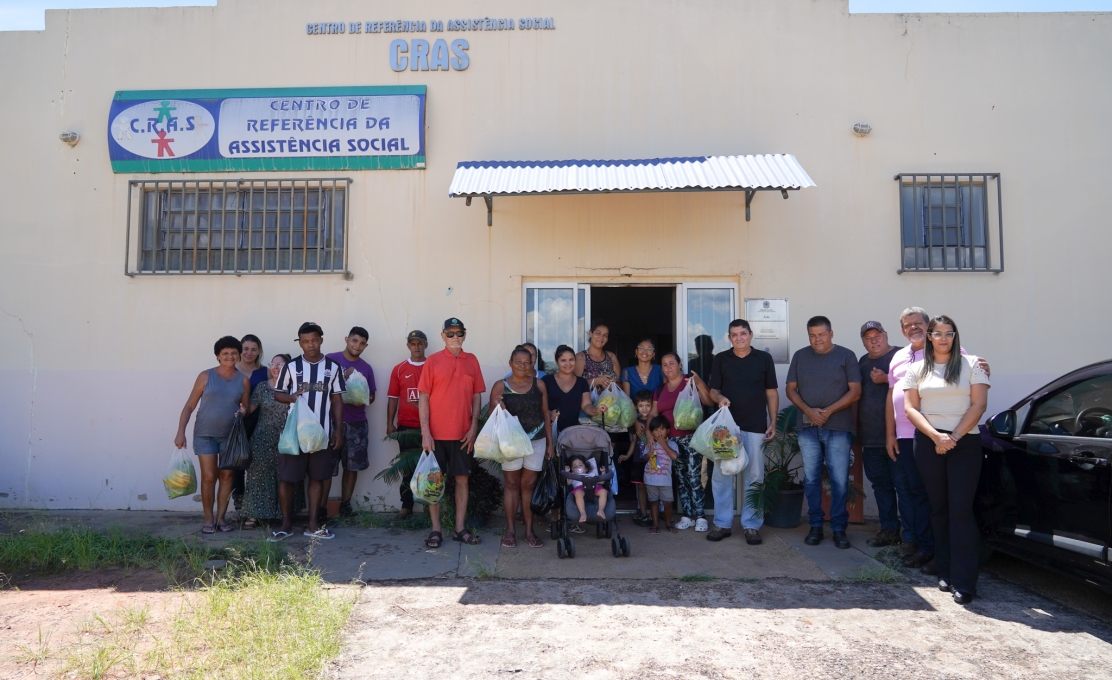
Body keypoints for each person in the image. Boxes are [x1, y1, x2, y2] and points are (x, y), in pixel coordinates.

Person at [886, 307, 991, 571]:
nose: (913, 328)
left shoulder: (961, 356)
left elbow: (973, 393)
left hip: (951, 438)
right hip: (914, 437)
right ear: (902, 330)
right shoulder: (899, 358)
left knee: (948, 504)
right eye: (907, 325)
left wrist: (950, 436)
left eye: (918, 323)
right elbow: (895, 398)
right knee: (919, 496)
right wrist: (890, 433)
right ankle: (926, 549)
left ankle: (942, 558)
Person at [786, 316, 862, 550]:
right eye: (812, 335)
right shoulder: (800, 355)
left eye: (821, 334)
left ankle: (839, 528)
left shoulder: (846, 355)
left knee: (839, 480)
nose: (816, 339)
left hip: (838, 428)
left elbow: (856, 392)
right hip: (808, 428)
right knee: (811, 479)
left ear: (831, 333)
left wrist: (827, 412)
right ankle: (816, 525)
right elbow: (790, 390)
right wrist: (810, 411)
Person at [270, 322, 346, 542]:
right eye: (305, 341)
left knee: (317, 478)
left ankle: (312, 525)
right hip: (294, 433)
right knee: (287, 479)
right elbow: (278, 394)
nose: (310, 344)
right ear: (300, 343)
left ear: (321, 340)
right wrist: (292, 398)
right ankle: (286, 524)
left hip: (321, 433)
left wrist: (338, 429)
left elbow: (337, 399)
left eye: (314, 340)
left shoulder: (333, 368)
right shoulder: (291, 367)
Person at [707, 319, 779, 545]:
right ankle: (722, 523)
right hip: (725, 429)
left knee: (755, 476)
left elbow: (772, 393)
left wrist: (773, 421)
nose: (739, 338)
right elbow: (713, 390)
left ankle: (751, 525)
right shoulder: (721, 359)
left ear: (751, 335)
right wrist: (719, 398)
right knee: (721, 476)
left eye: (743, 333)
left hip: (755, 425)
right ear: (729, 338)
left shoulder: (764, 359)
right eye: (734, 334)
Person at [418, 318, 486, 548]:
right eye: (450, 334)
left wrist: (474, 425)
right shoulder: (433, 361)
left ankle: (459, 529)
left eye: (459, 333)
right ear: (442, 336)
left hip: (462, 435)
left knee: (462, 480)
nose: (455, 337)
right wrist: (425, 433)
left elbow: (477, 395)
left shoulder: (472, 361)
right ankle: (436, 530)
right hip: (436, 436)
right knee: (434, 482)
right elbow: (423, 397)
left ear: (465, 335)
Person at [173, 335, 250, 534]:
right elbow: (189, 405)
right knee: (209, 477)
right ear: (217, 356)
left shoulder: (243, 381)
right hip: (205, 434)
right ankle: (208, 518)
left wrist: (244, 411)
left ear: (238, 355)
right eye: (225, 353)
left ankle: (221, 518)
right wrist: (180, 432)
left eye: (234, 353)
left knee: (227, 476)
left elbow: (246, 406)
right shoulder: (205, 376)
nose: (230, 356)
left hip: (230, 436)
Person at [489, 345, 554, 549]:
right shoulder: (501, 386)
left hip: (537, 440)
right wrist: (498, 406)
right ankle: (510, 530)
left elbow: (546, 414)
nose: (523, 365)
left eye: (527, 362)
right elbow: (493, 417)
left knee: (528, 486)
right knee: (511, 485)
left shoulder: (540, 385)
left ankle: (529, 530)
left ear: (532, 363)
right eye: (518, 362)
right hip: (511, 443)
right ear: (510, 363)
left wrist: (550, 443)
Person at [856, 321, 907, 550]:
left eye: (877, 336)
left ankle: (912, 535)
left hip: (899, 437)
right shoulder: (863, 362)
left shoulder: (901, 356)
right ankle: (889, 531)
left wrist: (888, 379)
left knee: (904, 486)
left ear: (886, 336)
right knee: (881, 486)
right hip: (871, 437)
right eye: (868, 338)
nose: (874, 340)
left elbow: (916, 387)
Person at [649, 352, 713, 532]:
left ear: (679, 364)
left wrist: (699, 382)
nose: (669, 367)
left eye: (672, 363)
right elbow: (653, 414)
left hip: (691, 438)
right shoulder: (660, 390)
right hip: (671, 441)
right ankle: (687, 515)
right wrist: (650, 435)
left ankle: (700, 516)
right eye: (665, 364)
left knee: (694, 478)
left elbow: (708, 401)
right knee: (681, 479)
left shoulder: (689, 382)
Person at [325, 326, 377, 519]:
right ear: (347, 339)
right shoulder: (330, 359)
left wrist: (363, 398)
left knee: (352, 466)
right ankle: (321, 508)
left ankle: (345, 506)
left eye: (362, 343)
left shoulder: (366, 368)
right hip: (330, 422)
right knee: (326, 468)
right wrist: (343, 377)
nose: (358, 346)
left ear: (366, 345)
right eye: (355, 341)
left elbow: (371, 396)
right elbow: (320, 387)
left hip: (357, 423)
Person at [242, 353, 291, 529]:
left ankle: (280, 515)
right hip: (262, 438)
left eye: (281, 364)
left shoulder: (294, 388)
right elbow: (250, 410)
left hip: (287, 439)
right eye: (273, 364)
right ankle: (254, 515)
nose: (276, 367)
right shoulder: (262, 387)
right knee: (258, 477)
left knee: (284, 477)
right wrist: (242, 410)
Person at [386, 330, 428, 521]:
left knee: (430, 468)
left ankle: (430, 505)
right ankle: (406, 506)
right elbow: (393, 398)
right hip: (406, 427)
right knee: (407, 468)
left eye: (420, 343)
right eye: (413, 343)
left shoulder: (433, 366)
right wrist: (390, 423)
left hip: (430, 428)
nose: (416, 346)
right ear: (408, 346)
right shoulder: (399, 369)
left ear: (425, 345)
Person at [234, 334, 267, 514]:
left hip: (259, 424)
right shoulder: (231, 370)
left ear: (259, 352)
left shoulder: (266, 372)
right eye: (245, 348)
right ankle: (239, 506)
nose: (249, 352)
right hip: (234, 424)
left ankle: (255, 506)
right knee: (236, 465)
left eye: (253, 349)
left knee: (257, 466)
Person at [617, 390, 655, 527]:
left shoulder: (655, 421)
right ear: (636, 407)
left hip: (653, 460)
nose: (644, 408)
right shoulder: (635, 422)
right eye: (641, 406)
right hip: (639, 459)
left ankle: (657, 512)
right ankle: (643, 512)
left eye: (647, 405)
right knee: (641, 488)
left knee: (654, 486)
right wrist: (627, 455)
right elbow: (634, 441)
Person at [643, 415, 679, 534]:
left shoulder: (672, 444)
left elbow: (674, 457)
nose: (659, 432)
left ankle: (668, 524)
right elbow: (643, 459)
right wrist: (649, 454)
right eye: (656, 430)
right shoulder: (650, 444)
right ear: (652, 432)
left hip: (665, 481)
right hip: (650, 479)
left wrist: (664, 444)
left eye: (662, 429)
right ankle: (655, 525)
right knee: (654, 502)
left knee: (668, 503)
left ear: (668, 430)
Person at [575, 321, 621, 392]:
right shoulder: (581, 357)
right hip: (589, 402)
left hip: (611, 401)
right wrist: (596, 381)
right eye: (598, 333)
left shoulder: (611, 357)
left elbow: (620, 383)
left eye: (605, 335)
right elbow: (575, 386)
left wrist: (614, 385)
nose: (601, 338)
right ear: (590, 334)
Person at [564, 454, 608, 523]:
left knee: (604, 492)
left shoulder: (592, 474)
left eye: (581, 465)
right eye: (575, 467)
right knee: (578, 493)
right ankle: (583, 513)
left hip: (594, 487)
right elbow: (568, 483)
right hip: (580, 489)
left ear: (586, 468)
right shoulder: (573, 476)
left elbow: (601, 482)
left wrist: (603, 472)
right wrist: (567, 473)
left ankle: (601, 510)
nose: (578, 467)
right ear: (572, 470)